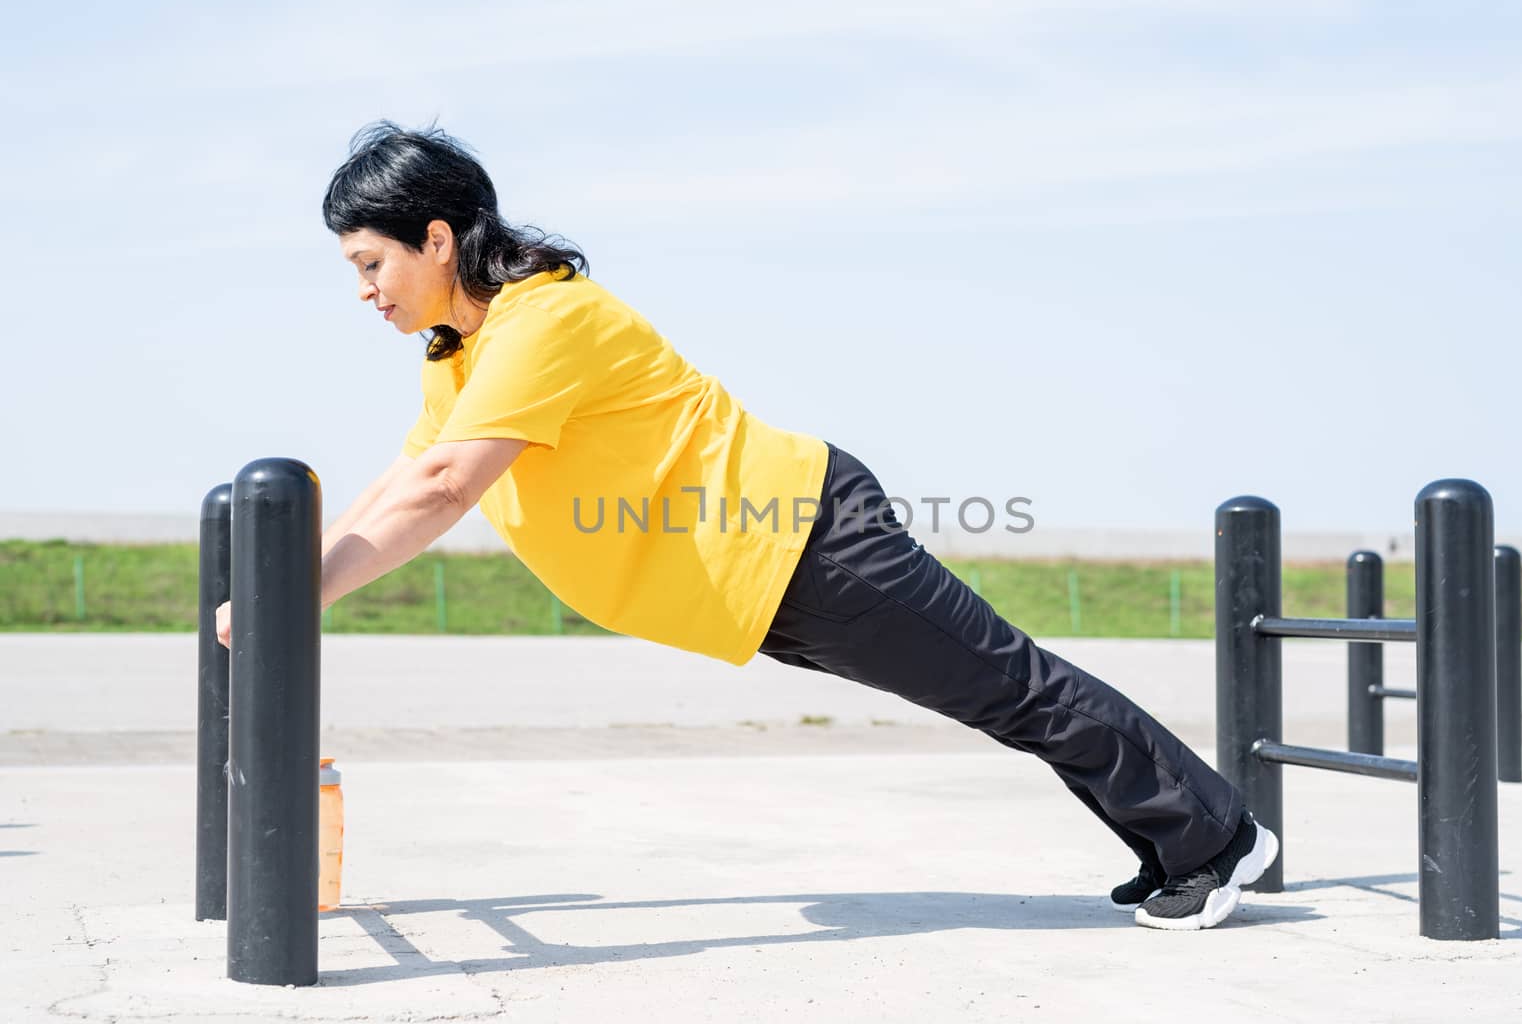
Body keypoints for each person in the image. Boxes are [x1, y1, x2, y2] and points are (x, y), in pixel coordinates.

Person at [216, 120, 1277, 931]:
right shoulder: (462, 350)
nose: (363, 290)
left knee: (1011, 684)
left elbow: (447, 485)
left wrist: (289, 597)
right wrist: (292, 577)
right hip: (765, 581)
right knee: (999, 697)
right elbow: (409, 471)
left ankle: (1216, 840)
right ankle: (1173, 835)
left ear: (436, 238)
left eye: (371, 263)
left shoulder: (547, 316)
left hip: (810, 541)